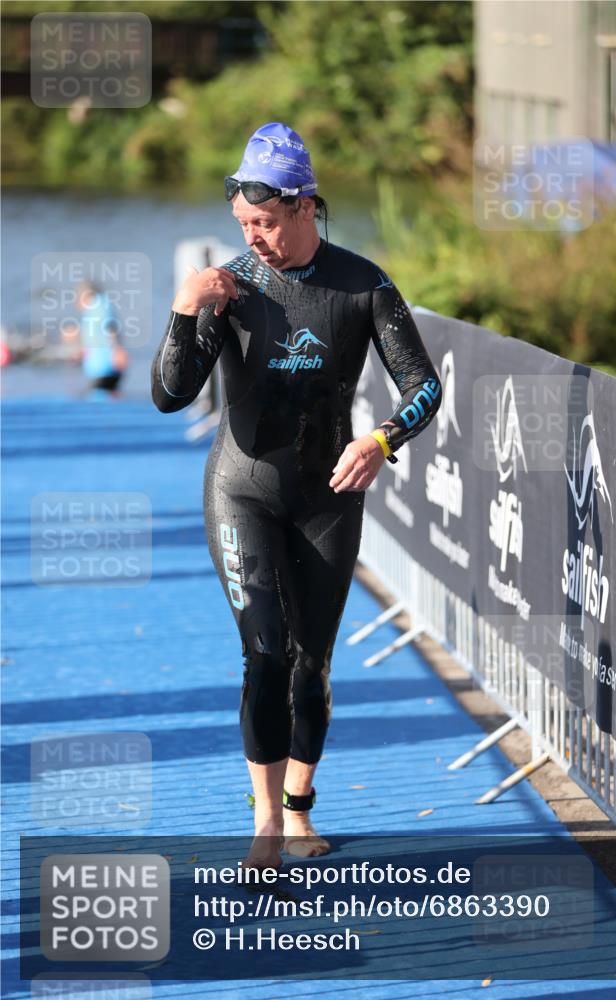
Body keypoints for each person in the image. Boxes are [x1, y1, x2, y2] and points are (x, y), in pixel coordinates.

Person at [151, 122, 442, 870]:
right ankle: (264, 827)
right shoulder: (231, 287)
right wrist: (186, 310)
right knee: (265, 656)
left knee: (310, 662)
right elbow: (168, 394)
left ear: (306, 207)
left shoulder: (361, 284)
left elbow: (424, 385)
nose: (254, 238)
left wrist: (380, 439)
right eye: (243, 224)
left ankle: (300, 808)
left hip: (327, 495)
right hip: (241, 490)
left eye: (267, 223)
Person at [64, 282, 128, 396]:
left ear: (85, 295)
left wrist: (118, 350)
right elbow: (95, 337)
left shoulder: (99, 305)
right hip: (100, 368)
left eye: (77, 299)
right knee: (103, 396)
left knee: (101, 399)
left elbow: (110, 327)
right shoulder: (92, 311)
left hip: (105, 367)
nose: (77, 304)